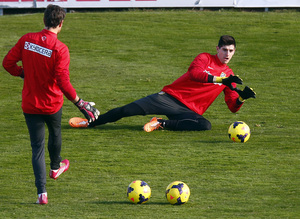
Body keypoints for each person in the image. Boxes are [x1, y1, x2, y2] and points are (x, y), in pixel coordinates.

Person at [2, 4, 100, 205]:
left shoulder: (27, 39)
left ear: (44, 20)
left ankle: (42, 194)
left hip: (30, 105)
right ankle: (56, 168)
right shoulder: (60, 49)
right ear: (61, 24)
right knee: (55, 133)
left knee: (36, 147)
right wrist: (81, 103)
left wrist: (23, 73)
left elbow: (7, 63)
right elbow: (63, 82)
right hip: (52, 104)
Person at [71, 35, 255, 132]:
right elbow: (195, 73)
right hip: (169, 98)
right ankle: (90, 123)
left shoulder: (230, 76)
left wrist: (241, 98)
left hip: (188, 111)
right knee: (126, 110)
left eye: (231, 51)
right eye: (224, 50)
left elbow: (232, 107)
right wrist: (221, 80)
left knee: (204, 126)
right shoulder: (205, 58)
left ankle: (160, 124)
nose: (228, 54)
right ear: (217, 49)